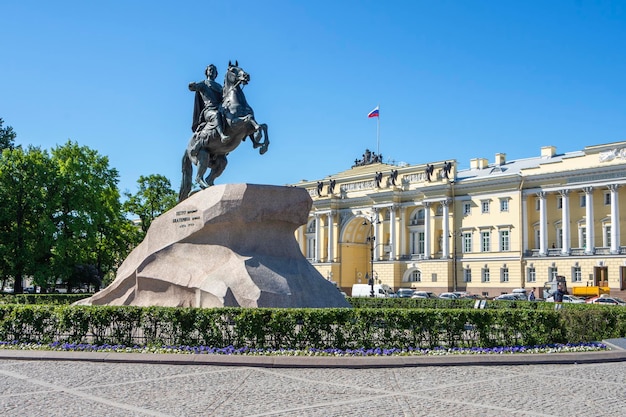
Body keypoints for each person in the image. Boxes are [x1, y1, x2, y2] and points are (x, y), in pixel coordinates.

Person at [189, 64, 230, 145]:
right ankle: (222, 135)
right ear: (206, 72)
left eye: (214, 70)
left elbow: (224, 97)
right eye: (210, 69)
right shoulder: (203, 84)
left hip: (219, 108)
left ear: (216, 74)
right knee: (216, 114)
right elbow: (194, 87)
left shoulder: (219, 86)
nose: (212, 71)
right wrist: (191, 85)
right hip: (209, 110)